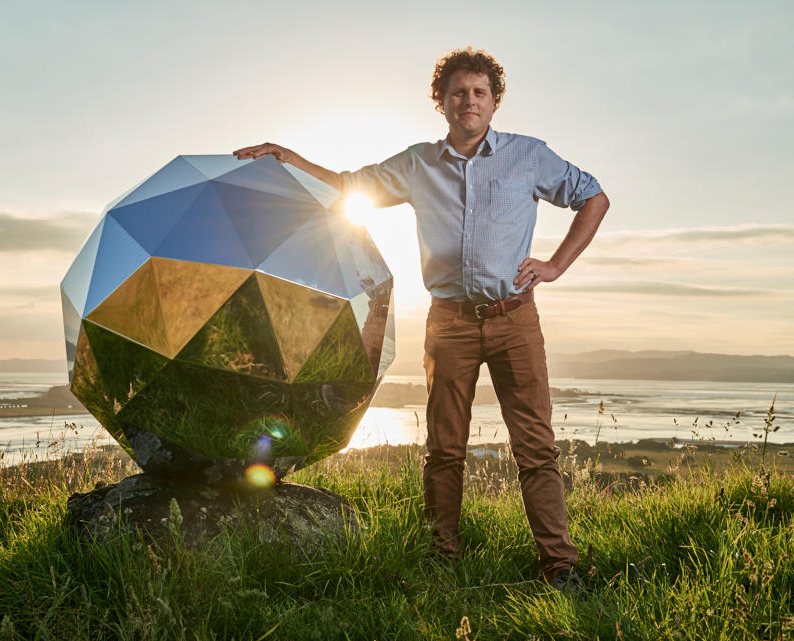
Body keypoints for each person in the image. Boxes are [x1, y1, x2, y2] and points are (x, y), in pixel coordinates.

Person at [233, 47, 609, 594]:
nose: (470, 101)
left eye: (480, 92)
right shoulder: (418, 164)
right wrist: (289, 159)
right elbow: (348, 184)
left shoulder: (529, 156)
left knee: (536, 447)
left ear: (495, 100)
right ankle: (442, 558)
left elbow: (593, 197)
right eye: (459, 92)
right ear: (442, 103)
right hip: (449, 323)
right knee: (444, 448)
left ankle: (560, 566)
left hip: (515, 319)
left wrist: (555, 264)